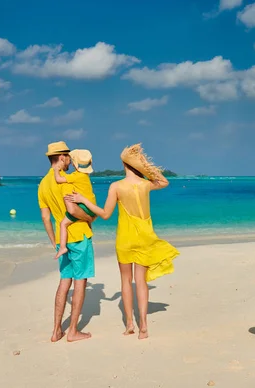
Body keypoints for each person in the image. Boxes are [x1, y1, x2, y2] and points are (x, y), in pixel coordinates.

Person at [65, 143, 179, 340]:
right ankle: (144, 326)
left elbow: (105, 214)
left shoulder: (116, 186)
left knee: (126, 281)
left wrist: (84, 200)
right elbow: (163, 181)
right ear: (137, 165)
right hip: (144, 238)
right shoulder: (145, 185)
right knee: (141, 282)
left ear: (124, 165)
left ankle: (129, 324)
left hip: (125, 239)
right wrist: (145, 168)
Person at [37, 141, 96, 343]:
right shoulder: (67, 180)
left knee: (64, 282)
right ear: (61, 157)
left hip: (62, 241)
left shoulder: (43, 184)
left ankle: (56, 331)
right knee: (80, 282)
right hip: (79, 235)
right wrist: (90, 218)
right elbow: (72, 209)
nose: (70, 160)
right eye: (68, 156)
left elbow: (46, 218)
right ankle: (72, 331)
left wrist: (55, 242)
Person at [54, 149, 97, 259]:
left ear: (74, 163)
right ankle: (89, 229)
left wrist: (56, 170)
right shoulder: (86, 176)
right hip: (91, 205)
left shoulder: (76, 176)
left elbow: (59, 180)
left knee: (63, 224)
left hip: (84, 206)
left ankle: (63, 247)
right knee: (87, 219)